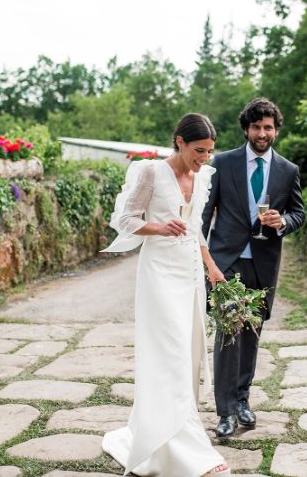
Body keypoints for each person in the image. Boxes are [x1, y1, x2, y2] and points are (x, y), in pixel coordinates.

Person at [100, 113, 230, 477]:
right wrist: (157, 227)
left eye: (209, 151)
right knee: (169, 352)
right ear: (179, 142)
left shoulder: (203, 176)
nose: (204, 158)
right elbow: (125, 219)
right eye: (198, 150)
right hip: (158, 272)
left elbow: (196, 228)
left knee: (187, 353)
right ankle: (183, 451)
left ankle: (173, 431)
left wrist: (211, 266)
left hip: (189, 271)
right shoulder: (150, 173)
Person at [201, 98, 305, 437]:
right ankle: (225, 412)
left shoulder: (288, 170)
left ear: (275, 130)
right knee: (227, 335)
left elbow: (299, 214)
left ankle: (243, 400)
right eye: (257, 127)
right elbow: (204, 214)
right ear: (247, 128)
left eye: (268, 127)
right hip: (225, 262)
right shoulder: (223, 163)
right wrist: (200, 260)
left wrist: (283, 222)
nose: (263, 133)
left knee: (251, 335)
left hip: (263, 264)